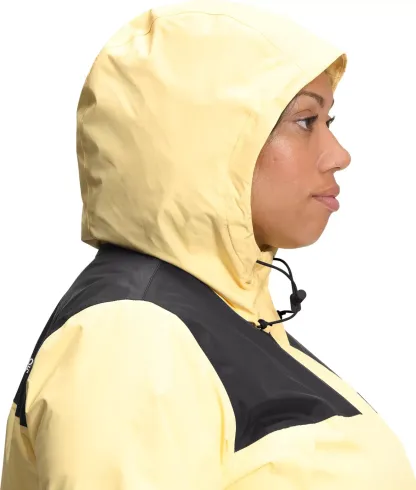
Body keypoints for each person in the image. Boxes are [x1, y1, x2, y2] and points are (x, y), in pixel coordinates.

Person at [1, 1, 415, 489]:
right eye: (307, 121)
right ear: (204, 142)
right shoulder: (132, 337)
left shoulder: (214, 320)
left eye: (330, 122)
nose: (339, 155)